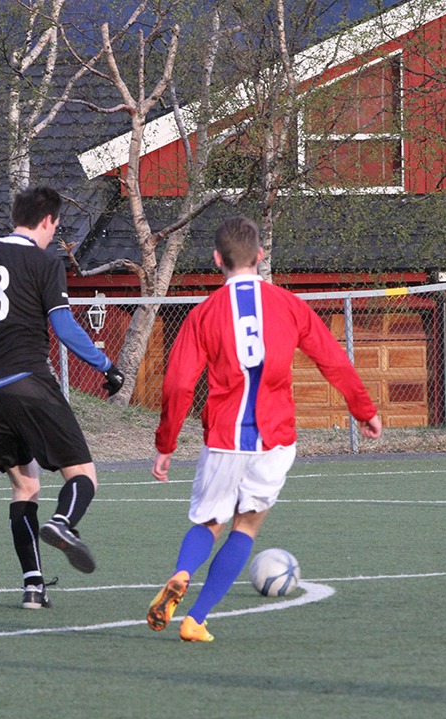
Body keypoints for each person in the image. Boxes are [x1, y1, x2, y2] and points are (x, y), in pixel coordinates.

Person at [146, 216, 382, 642]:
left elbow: (179, 383)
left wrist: (165, 443)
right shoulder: (289, 305)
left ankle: (182, 572)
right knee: (246, 527)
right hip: (274, 440)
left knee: (207, 524)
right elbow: (333, 360)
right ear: (260, 256)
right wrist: (363, 409)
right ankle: (196, 618)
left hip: (224, 439)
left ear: (217, 259)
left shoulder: (203, 314)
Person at [0, 186, 124, 609]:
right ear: (47, 221)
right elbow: (65, 329)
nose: (55, 234)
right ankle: (64, 523)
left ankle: (33, 587)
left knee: (25, 486)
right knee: (83, 475)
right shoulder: (45, 263)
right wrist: (106, 365)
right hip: (30, 384)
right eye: (56, 227)